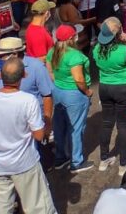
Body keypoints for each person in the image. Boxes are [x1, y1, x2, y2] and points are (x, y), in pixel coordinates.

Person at [0, 57, 56, 214]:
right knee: (39, 207)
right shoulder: (28, 100)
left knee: (2, 209)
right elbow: (38, 135)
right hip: (24, 164)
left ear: (0, 76)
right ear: (24, 75)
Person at [92, 17, 126, 174]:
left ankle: (104, 160)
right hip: (124, 88)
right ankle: (124, 164)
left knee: (107, 122)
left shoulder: (96, 49)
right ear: (119, 33)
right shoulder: (125, 50)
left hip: (105, 87)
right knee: (123, 124)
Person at [47, 24, 93, 173]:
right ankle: (76, 162)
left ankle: (60, 157)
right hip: (74, 94)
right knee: (76, 128)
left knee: (60, 126)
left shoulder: (53, 51)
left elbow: (50, 73)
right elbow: (79, 79)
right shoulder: (74, 55)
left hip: (58, 91)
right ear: (72, 38)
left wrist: (59, 84)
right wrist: (87, 91)